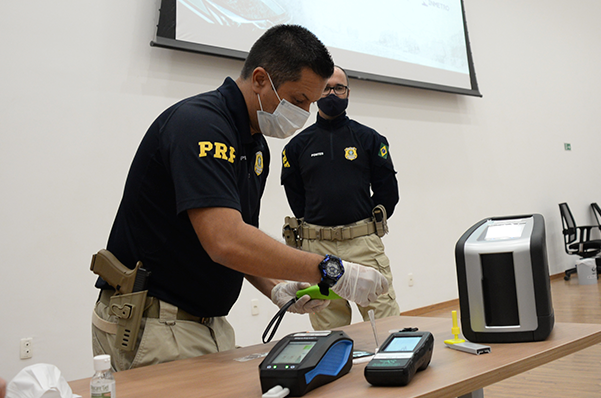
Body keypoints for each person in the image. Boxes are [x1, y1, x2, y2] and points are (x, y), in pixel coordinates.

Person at [91, 25, 389, 371]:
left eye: (309, 102)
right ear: (260, 79)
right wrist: (329, 269)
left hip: (203, 321)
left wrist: (277, 288)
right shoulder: (199, 124)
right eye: (297, 100)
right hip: (156, 320)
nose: (305, 113)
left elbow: (242, 235)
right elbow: (225, 240)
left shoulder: (254, 144)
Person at [281, 66, 400, 330]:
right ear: (315, 94)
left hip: (363, 246)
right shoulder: (297, 147)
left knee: (387, 324)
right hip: (317, 250)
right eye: (326, 88)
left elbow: (387, 191)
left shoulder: (370, 139)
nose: (332, 93)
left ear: (348, 93)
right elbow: (296, 197)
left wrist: (363, 224)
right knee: (329, 332)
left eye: (339, 88)